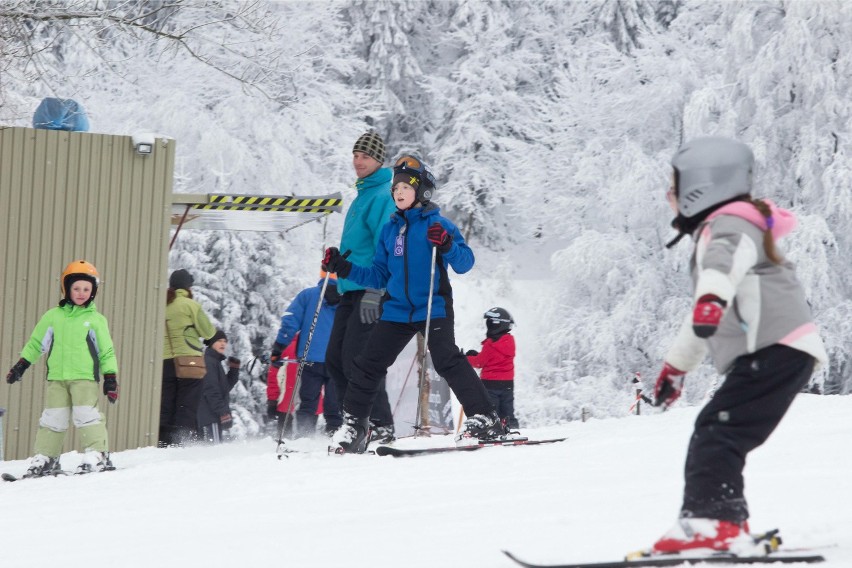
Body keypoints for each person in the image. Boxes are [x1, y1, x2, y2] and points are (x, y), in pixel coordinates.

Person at [648, 136, 828, 555]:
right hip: (781, 350)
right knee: (722, 429)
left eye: (674, 189)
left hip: (775, 348)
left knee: (717, 431)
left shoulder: (728, 225)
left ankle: (713, 525)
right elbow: (705, 313)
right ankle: (726, 519)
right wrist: (676, 368)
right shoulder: (735, 225)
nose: (668, 199)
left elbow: (722, 267)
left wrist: (711, 299)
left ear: (700, 188)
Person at [322, 154, 506, 453]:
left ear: (422, 192)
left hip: (432, 306)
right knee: (367, 364)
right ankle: (355, 426)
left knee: (447, 359)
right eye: (396, 188)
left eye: (406, 187)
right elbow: (379, 274)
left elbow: (465, 263)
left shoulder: (438, 225)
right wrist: (344, 267)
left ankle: (485, 418)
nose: (399, 192)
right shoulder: (390, 230)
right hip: (397, 310)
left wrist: (446, 244)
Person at [5, 260, 119, 476]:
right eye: (76, 288)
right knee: (52, 418)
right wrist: (22, 365)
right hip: (57, 378)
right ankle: (47, 457)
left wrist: (110, 378)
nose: (81, 293)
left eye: (87, 289)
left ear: (93, 291)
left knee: (87, 416)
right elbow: (37, 344)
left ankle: (98, 454)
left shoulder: (96, 320)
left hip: (85, 378)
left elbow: (106, 352)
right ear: (66, 288)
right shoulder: (53, 316)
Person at [324, 130, 398, 443]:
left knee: (359, 358)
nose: (358, 161)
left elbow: (387, 245)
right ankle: (356, 423)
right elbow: (360, 247)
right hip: (349, 289)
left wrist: (376, 291)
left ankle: (380, 425)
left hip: (371, 291)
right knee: (334, 358)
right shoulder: (362, 195)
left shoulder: (382, 195)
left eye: (365, 156)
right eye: (355, 155)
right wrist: (338, 267)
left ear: (379, 159)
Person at [269, 274, 342, 438]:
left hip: (310, 359)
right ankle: (335, 438)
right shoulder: (348, 296)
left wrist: (279, 348)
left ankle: (304, 437)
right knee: (335, 404)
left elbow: (290, 322)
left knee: (308, 403)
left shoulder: (307, 296)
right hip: (337, 359)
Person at [161, 268, 217, 447]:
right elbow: (208, 332)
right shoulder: (189, 305)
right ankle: (183, 442)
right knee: (187, 403)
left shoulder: (162, 304)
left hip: (165, 361)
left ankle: (163, 442)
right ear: (188, 287)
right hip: (189, 361)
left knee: (166, 404)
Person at [466, 307, 518, 430]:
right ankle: (512, 429)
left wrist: (467, 358)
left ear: (495, 325)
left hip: (490, 384)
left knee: (492, 412)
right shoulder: (510, 341)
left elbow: (479, 362)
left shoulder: (490, 344)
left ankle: (493, 431)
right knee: (507, 411)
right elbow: (496, 359)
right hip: (507, 384)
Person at [197, 329, 240, 444]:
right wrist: (223, 412)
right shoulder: (209, 361)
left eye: (225, 341)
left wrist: (234, 370)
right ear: (211, 343)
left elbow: (223, 389)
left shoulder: (215, 361)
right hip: (210, 416)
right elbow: (211, 390)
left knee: (213, 451)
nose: (223, 344)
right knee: (213, 452)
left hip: (212, 416)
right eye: (219, 340)